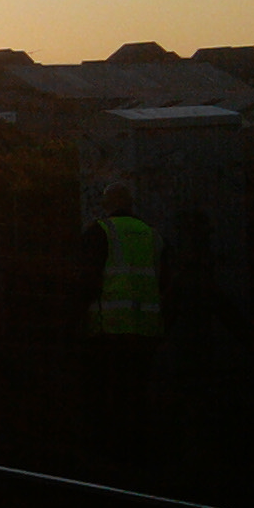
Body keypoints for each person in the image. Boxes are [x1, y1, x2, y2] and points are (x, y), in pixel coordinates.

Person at [82, 181, 164, 465]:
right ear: (130, 204)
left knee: (109, 391)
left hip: (110, 328)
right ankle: (141, 450)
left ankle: (111, 453)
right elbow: (166, 282)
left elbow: (87, 281)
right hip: (147, 330)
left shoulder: (99, 232)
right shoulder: (153, 236)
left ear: (106, 205)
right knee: (138, 391)